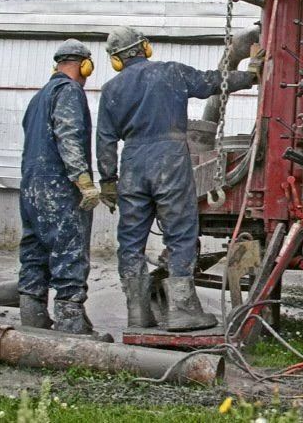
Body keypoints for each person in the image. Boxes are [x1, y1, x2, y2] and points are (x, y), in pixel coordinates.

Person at [97, 26, 257, 331]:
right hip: (169, 158)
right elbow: (215, 82)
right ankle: (182, 310)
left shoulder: (111, 89)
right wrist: (251, 75)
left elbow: (104, 139)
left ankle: (138, 312)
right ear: (144, 47)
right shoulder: (171, 72)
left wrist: (108, 181)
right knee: (180, 232)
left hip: (132, 162)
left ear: (116, 60)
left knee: (130, 240)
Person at [18, 39, 106, 338]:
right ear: (85, 65)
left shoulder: (38, 96)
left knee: (34, 250)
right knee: (69, 249)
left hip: (31, 186)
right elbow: (68, 135)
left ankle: (32, 321)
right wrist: (83, 181)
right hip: (59, 185)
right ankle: (71, 326)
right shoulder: (69, 91)